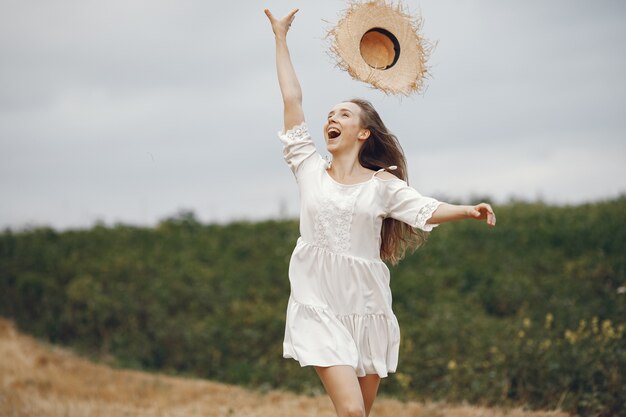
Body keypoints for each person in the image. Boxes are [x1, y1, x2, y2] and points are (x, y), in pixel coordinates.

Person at [265, 8, 496, 417]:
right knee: (352, 411)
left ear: (364, 132)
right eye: (330, 114)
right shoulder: (308, 168)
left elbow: (425, 207)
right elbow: (292, 98)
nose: (331, 118)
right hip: (317, 301)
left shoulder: (383, 185)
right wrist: (281, 39)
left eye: (344, 114)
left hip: (368, 306)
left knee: (358, 415)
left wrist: (468, 210)